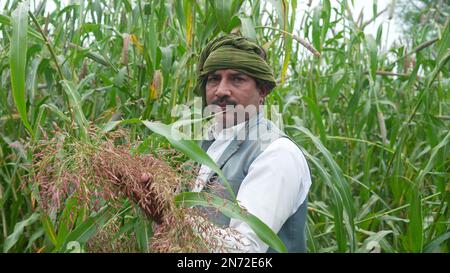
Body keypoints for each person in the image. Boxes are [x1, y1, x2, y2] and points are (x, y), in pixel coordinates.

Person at [189, 34, 312, 253]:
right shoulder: (207, 144)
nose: (221, 91)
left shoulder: (277, 154)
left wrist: (171, 218)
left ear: (262, 90)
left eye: (237, 79)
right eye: (214, 79)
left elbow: (244, 249)